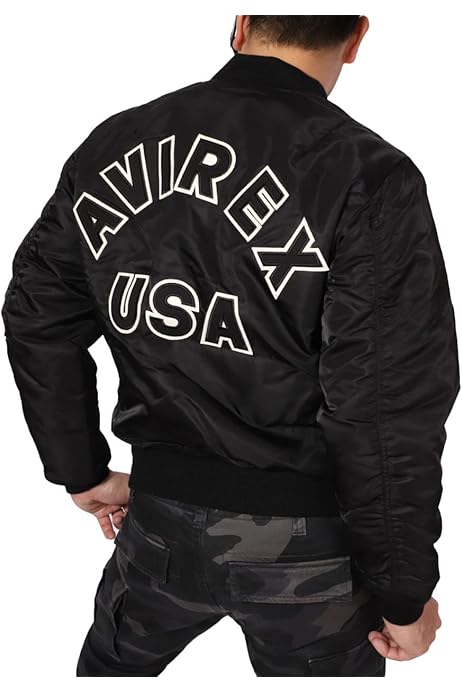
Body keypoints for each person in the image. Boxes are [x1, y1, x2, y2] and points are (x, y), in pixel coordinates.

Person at [2, 14, 459, 677]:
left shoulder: (116, 142)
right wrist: (403, 591)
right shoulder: (366, 175)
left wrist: (82, 470)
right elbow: (388, 405)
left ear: (240, 26)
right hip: (306, 555)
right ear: (357, 38)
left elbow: (37, 315)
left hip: (154, 527)